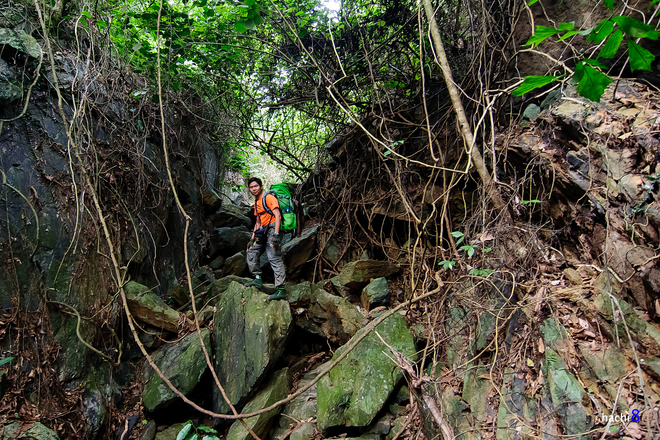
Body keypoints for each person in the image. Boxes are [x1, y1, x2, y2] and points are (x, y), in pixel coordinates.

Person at [245, 177, 287, 300]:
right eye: (251, 187)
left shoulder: (268, 198)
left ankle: (281, 289)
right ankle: (257, 279)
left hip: (272, 228)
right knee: (251, 251)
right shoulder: (256, 203)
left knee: (273, 256)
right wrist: (251, 241)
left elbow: (277, 215)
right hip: (262, 230)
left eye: (255, 186)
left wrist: (276, 234)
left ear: (261, 186)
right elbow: (257, 222)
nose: (253, 189)